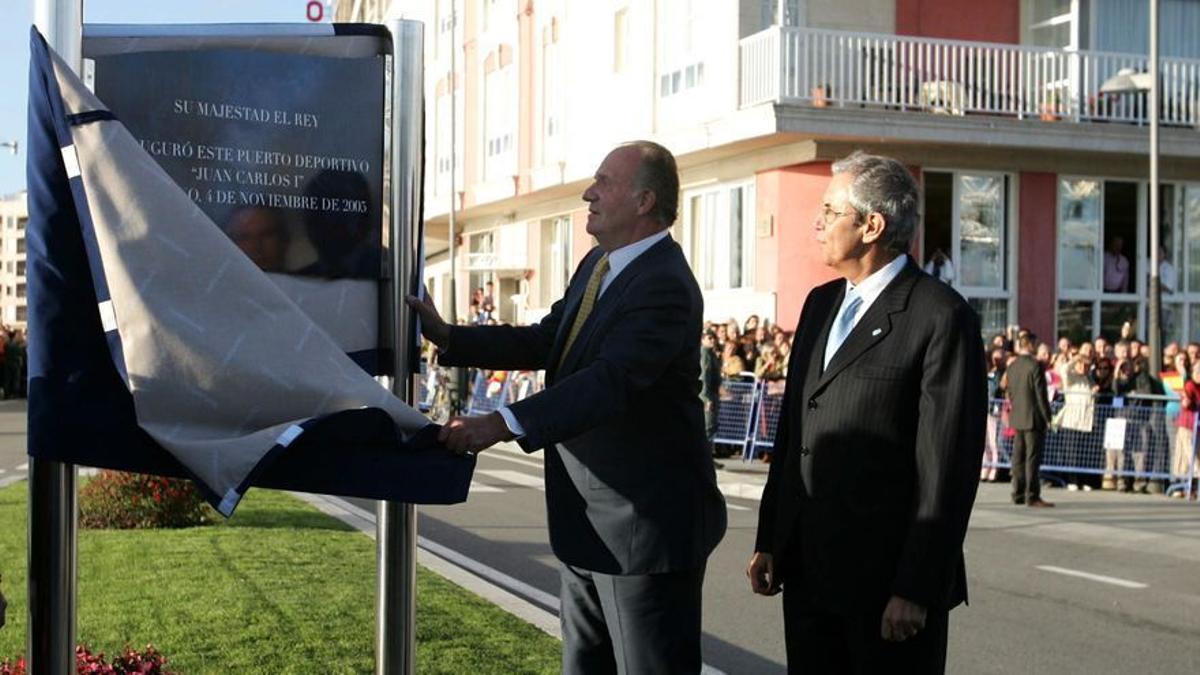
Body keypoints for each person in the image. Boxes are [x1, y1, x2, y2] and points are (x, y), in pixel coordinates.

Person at [407, 141, 726, 673]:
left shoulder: (664, 284)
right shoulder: (599, 265)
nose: (588, 193)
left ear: (645, 200)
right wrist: (448, 336)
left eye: (604, 182)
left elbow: (609, 382)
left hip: (641, 534)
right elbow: (548, 340)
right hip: (587, 525)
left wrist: (502, 422)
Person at [746, 151, 985, 673]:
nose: (817, 223)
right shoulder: (820, 303)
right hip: (809, 574)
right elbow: (795, 433)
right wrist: (771, 538)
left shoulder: (941, 317)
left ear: (872, 225)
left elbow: (946, 470)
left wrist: (915, 589)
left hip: (885, 592)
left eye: (831, 212)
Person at [1005, 335, 1055, 507]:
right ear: (1032, 345)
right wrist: (1047, 416)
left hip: (1018, 415)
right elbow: (1041, 395)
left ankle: (1017, 493)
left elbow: (1010, 392)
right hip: (1033, 417)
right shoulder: (1035, 365)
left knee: (1018, 457)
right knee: (1032, 458)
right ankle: (1032, 495)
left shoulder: (1012, 366)